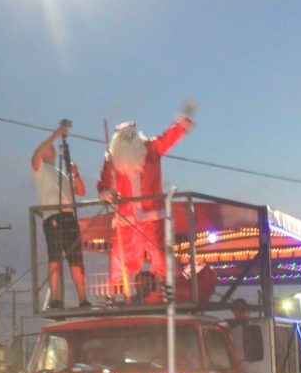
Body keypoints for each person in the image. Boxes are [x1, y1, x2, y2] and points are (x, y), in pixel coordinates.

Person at [98, 107, 194, 294]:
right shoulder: (111, 161)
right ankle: (118, 299)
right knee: (119, 259)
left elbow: (168, 137)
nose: (128, 140)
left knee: (162, 258)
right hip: (126, 220)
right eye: (123, 137)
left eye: (130, 136)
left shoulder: (151, 148)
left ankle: (168, 296)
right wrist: (106, 193)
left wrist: (182, 124)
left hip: (152, 217)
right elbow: (103, 184)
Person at [31, 123, 90, 309]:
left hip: (69, 217)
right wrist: (56, 133)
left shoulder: (62, 174)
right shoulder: (39, 169)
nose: (52, 148)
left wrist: (76, 174)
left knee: (76, 260)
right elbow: (36, 155)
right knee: (55, 258)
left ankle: (83, 299)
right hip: (53, 216)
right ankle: (55, 300)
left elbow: (80, 191)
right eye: (49, 147)